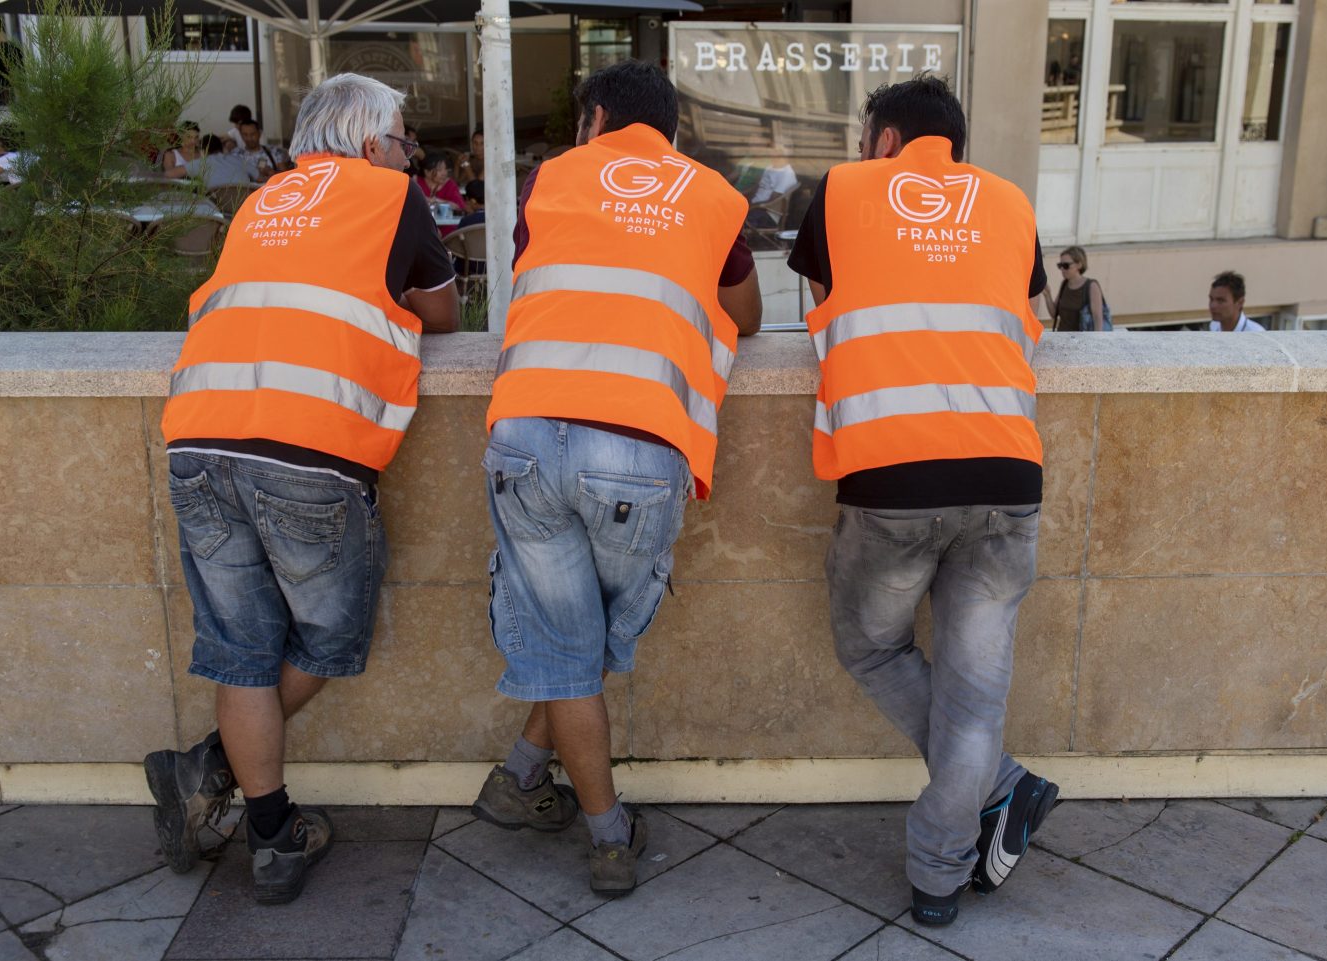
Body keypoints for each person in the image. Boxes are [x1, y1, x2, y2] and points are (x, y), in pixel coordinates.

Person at [145, 72, 459, 905]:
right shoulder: (391, 198)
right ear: (369, 146)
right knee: (324, 640)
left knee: (240, 648)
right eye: (402, 142)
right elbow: (444, 313)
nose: (408, 156)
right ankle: (212, 768)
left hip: (198, 438)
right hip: (309, 448)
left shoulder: (264, 200)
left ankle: (271, 831)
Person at [470, 58, 762, 897]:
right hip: (637, 448)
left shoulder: (551, 179)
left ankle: (521, 773)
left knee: (569, 643)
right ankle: (609, 835)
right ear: (668, 128)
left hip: (525, 429)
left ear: (595, 118)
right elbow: (746, 316)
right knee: (578, 647)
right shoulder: (709, 194)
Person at [787, 74, 1059, 928]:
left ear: (884, 139)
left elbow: (818, 308)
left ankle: (1006, 784)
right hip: (1008, 476)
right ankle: (939, 878)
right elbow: (1025, 316)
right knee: (975, 700)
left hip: (894, 477)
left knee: (871, 647)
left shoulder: (839, 190)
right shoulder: (1011, 204)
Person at [1041, 246, 1105, 331]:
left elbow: (1098, 319)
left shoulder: (1091, 286)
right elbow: (1054, 314)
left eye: (1066, 265)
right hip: (1063, 338)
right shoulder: (1064, 284)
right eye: (1060, 265)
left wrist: (1096, 342)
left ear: (1079, 265)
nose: (1062, 269)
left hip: (1082, 341)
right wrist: (1047, 295)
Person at [184, 133, 258, 189]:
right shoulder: (238, 160)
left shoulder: (199, 163)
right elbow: (260, 178)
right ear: (222, 147)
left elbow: (173, 174)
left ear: (202, 151)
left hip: (216, 206)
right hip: (244, 204)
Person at [416, 151, 463, 237]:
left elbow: (458, 206)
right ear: (427, 171)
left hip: (447, 230)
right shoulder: (416, 182)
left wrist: (437, 200)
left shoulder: (450, 184)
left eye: (445, 169)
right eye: (440, 170)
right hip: (422, 228)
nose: (444, 173)